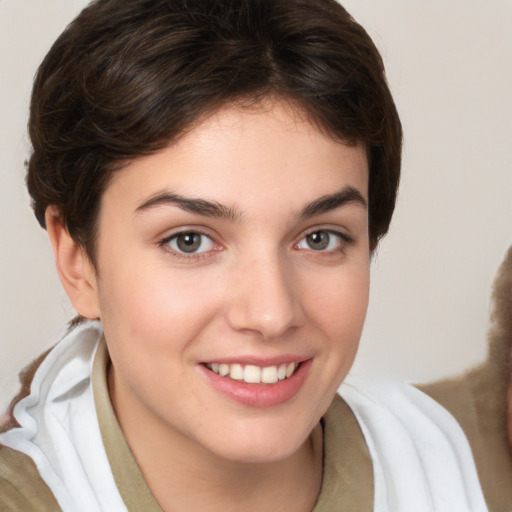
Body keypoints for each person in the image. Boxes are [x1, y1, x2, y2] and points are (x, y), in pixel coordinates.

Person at [0, 0, 487, 510]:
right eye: (189, 240)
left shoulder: (437, 456)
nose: (272, 314)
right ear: (78, 260)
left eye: (319, 238)